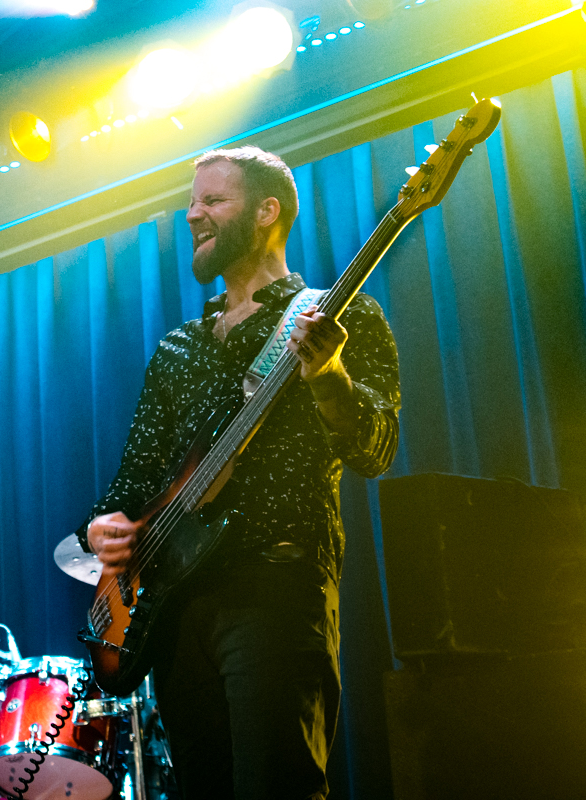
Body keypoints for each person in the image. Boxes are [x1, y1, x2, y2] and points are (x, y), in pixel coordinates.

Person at [76, 147, 400, 799]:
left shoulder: (339, 316)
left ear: (266, 211)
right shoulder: (177, 348)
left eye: (212, 201)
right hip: (176, 609)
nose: (192, 214)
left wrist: (328, 373)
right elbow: (131, 484)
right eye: (191, 202)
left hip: (276, 585)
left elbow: (376, 447)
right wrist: (101, 527)